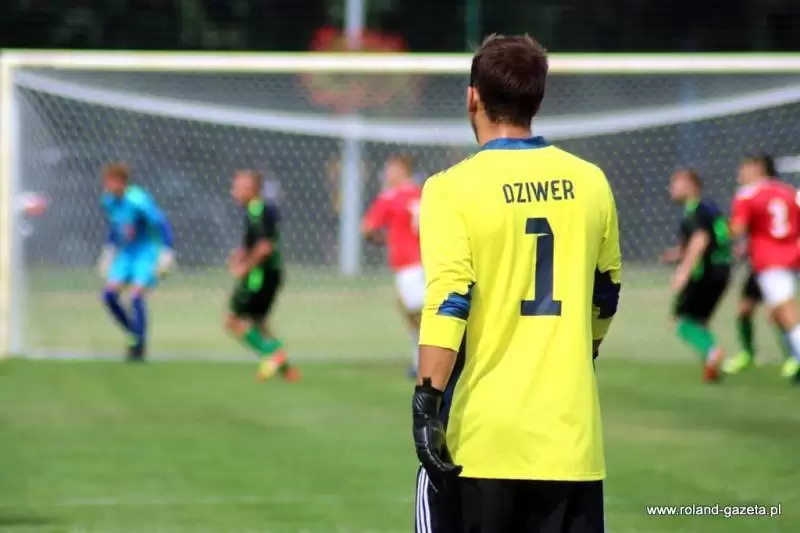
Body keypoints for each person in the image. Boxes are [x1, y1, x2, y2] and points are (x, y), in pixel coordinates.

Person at [412, 34, 621, 533]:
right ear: (537, 99)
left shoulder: (450, 189)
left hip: (483, 441)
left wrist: (426, 403)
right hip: (570, 439)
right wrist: (579, 352)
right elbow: (606, 294)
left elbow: (449, 301)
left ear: (472, 97)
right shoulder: (591, 181)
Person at [729, 154, 800, 381]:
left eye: (744, 168)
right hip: (793, 255)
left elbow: (737, 229)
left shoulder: (747, 194)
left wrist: (722, 229)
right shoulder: (790, 191)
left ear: (759, 169)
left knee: (787, 314)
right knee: (778, 313)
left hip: (771, 261)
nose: (740, 173)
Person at [226, 170, 300, 382]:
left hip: (259, 274)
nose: (233, 191)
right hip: (272, 272)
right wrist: (240, 254)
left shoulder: (258, 211)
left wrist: (245, 267)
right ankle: (287, 371)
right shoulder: (258, 209)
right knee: (259, 322)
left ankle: (272, 354)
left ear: (251, 189)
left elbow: (265, 247)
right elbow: (257, 242)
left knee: (232, 320)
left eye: (238, 187)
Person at [98, 163, 176, 362]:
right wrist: (109, 251)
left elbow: (161, 223)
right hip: (126, 252)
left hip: (146, 251)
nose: (107, 186)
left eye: (110, 182)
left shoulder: (138, 200)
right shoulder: (108, 201)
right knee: (108, 295)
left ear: (122, 182)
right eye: (106, 182)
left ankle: (137, 346)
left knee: (135, 296)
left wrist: (166, 252)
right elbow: (115, 226)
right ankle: (134, 334)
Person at [660, 169, 731, 382]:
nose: (671, 189)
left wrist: (683, 271)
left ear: (692, 186)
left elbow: (700, 239)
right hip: (722, 270)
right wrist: (677, 254)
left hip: (703, 273)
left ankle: (712, 352)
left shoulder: (694, 211)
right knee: (700, 322)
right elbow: (716, 237)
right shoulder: (710, 208)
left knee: (681, 322)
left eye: (676, 184)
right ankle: (711, 366)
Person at [362, 155, 424, 378]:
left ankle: (426, 363)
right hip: (430, 260)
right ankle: (420, 362)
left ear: (401, 170)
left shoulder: (391, 196)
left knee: (418, 316)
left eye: (390, 169)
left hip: (408, 264)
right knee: (419, 314)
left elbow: (367, 228)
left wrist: (387, 240)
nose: (387, 174)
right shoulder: (424, 192)